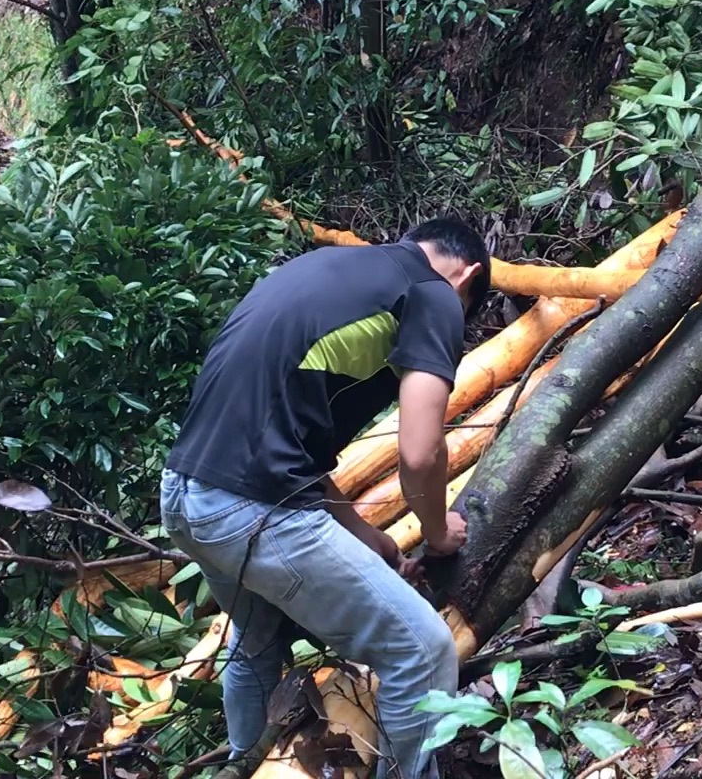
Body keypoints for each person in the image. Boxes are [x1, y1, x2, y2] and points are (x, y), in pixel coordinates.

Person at [160, 217, 489, 779]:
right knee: (423, 650)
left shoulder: (326, 272)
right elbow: (420, 452)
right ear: (468, 278)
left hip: (186, 497)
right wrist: (437, 533)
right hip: (255, 511)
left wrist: (370, 539)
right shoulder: (432, 293)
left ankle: (246, 766)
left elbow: (295, 455)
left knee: (257, 644)